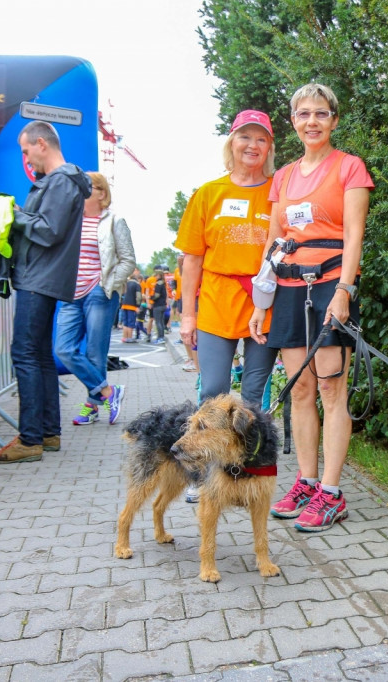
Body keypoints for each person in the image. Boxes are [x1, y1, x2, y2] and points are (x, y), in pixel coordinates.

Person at [249, 84, 374, 531]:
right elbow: (273, 240)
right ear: (294, 122)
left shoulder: (350, 168)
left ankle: (332, 491)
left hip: (329, 286)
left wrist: (344, 290)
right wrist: (261, 302)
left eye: (321, 113)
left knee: (330, 389)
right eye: (303, 114)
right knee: (299, 390)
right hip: (286, 287)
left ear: (334, 120)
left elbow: (355, 236)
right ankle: (306, 480)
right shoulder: (281, 176)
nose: (312, 121)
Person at [0, 120, 91, 464]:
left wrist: (14, 215)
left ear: (42, 143)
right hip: (44, 277)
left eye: (26, 149)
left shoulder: (60, 180)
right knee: (40, 356)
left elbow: (48, 231)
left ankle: (30, 439)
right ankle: (47, 433)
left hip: (39, 278)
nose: (25, 157)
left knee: (26, 355)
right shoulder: (64, 181)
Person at [176, 109, 279, 406]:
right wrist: (187, 316)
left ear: (269, 147)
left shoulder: (279, 192)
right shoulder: (208, 193)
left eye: (261, 139)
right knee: (213, 391)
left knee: (254, 394)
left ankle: (252, 452)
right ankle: (213, 452)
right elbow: (192, 260)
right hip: (216, 301)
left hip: (264, 300)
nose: (252, 145)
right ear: (232, 143)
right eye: (245, 136)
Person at [55, 172, 136, 427]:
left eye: (86, 188)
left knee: (95, 354)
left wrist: (108, 284)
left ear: (101, 193)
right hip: (71, 293)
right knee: (63, 349)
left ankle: (91, 407)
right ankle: (109, 392)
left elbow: (128, 260)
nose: (80, 192)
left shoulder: (114, 221)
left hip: (99, 292)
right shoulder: (71, 222)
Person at [148, 264, 168, 344]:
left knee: (158, 322)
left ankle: (160, 337)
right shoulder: (163, 283)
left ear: (159, 275)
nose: (155, 277)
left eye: (156, 275)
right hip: (163, 305)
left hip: (158, 305)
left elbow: (157, 295)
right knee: (161, 322)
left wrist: (151, 297)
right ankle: (162, 336)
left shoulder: (158, 284)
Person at [120, 272, 142, 343]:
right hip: (132, 306)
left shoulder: (126, 283)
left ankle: (124, 337)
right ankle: (129, 338)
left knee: (125, 322)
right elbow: (138, 297)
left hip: (124, 305)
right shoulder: (137, 285)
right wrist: (138, 306)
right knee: (131, 322)